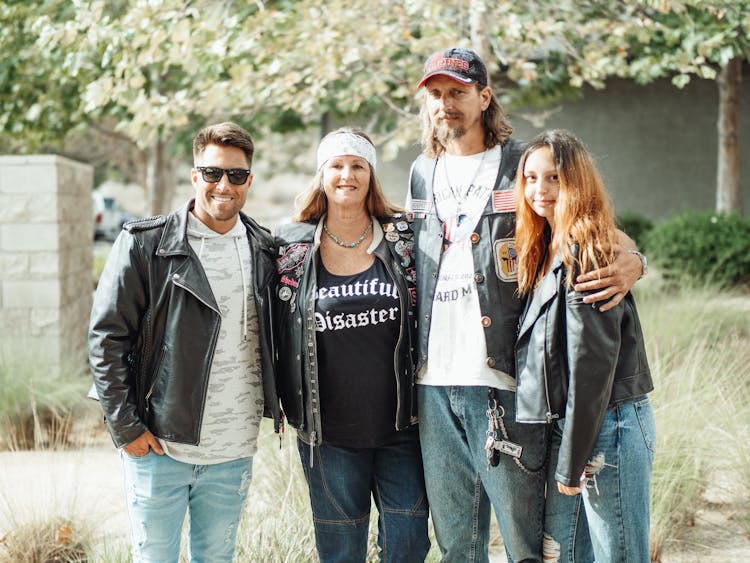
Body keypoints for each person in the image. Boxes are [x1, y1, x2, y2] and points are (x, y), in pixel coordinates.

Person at [408, 47, 647, 562]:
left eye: (457, 92)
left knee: (528, 544)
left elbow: (590, 221)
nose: (445, 104)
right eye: (436, 95)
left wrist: (634, 259)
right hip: (433, 384)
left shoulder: (524, 164)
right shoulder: (421, 174)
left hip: (506, 384)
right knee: (456, 544)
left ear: (484, 96)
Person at [88, 122, 280, 562]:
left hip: (233, 450)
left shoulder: (265, 250)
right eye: (212, 173)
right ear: (194, 176)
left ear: (249, 180)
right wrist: (126, 428)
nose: (223, 185)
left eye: (236, 175)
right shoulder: (145, 244)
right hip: (159, 446)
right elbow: (106, 338)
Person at [274, 128, 429, 562]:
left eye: (358, 165)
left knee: (409, 547)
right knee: (341, 552)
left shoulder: (404, 240)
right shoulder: (290, 245)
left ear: (371, 174)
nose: (347, 174)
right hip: (330, 434)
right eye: (337, 165)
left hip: (403, 429)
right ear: (322, 175)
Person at [514, 129, 655, 562]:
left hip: (608, 429)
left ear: (576, 181)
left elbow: (591, 371)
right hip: (586, 428)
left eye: (554, 178)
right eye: (531, 178)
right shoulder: (545, 247)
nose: (540, 190)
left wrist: (572, 461)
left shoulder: (585, 254)